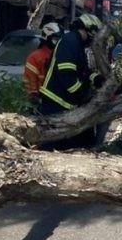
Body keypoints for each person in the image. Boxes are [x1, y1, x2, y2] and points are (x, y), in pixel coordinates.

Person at [37, 12, 102, 145]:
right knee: (55, 146)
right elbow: (67, 75)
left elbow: (82, 71)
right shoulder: (70, 42)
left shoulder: (76, 43)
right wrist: (82, 94)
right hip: (56, 103)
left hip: (64, 103)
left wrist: (96, 78)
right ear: (90, 30)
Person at [23, 22, 61, 107]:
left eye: (59, 39)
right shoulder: (36, 57)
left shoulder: (61, 54)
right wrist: (34, 96)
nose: (57, 42)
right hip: (42, 101)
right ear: (47, 38)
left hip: (58, 99)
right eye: (55, 39)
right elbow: (30, 80)